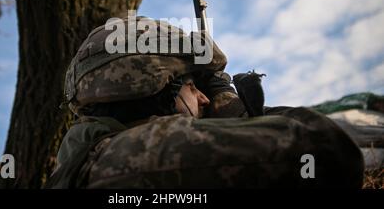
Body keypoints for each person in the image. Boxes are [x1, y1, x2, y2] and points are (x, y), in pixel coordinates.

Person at [45, 17, 364, 189]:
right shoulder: (141, 154)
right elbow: (329, 153)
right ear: (155, 88)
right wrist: (233, 110)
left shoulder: (91, 159)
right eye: (193, 85)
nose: (204, 98)